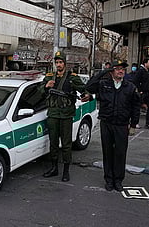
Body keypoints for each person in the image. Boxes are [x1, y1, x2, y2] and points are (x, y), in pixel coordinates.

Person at [83, 60, 141, 191]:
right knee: (107, 152)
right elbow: (89, 86)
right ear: (112, 71)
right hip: (107, 123)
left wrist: (133, 124)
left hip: (121, 125)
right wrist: (104, 71)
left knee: (120, 153)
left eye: (123, 69)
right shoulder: (104, 85)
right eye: (117, 69)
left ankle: (118, 180)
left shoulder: (130, 87)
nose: (121, 71)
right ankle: (109, 179)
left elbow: (135, 106)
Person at [39, 51, 85, 182]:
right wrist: (46, 86)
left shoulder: (72, 77)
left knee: (66, 144)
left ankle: (66, 171)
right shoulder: (49, 77)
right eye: (56, 62)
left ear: (65, 63)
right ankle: (54, 168)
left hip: (66, 115)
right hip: (53, 114)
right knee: (53, 143)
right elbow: (39, 91)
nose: (58, 65)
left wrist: (86, 95)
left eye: (60, 62)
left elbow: (83, 89)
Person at [132, 58, 149, 129]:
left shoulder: (148, 71)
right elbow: (135, 81)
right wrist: (139, 90)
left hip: (147, 92)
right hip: (142, 92)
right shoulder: (140, 71)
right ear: (145, 63)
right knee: (137, 107)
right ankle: (135, 122)